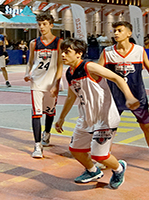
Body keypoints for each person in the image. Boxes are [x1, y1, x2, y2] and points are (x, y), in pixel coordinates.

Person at [54, 38, 139, 188]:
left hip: (105, 117)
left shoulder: (89, 67)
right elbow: (71, 96)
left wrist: (130, 97)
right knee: (76, 150)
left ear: (79, 54)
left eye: (67, 52)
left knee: (99, 155)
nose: (63, 55)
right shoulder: (70, 73)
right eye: (62, 52)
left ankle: (119, 168)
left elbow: (117, 78)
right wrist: (61, 117)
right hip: (87, 117)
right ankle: (92, 171)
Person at [98, 21, 149, 176]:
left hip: (138, 97)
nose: (116, 33)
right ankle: (104, 157)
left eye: (119, 30)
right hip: (115, 98)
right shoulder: (107, 52)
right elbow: (97, 73)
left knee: (146, 127)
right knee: (109, 129)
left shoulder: (139, 51)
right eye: (115, 30)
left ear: (129, 33)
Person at [25, 13, 63, 158]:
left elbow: (60, 64)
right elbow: (30, 62)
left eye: (45, 24)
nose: (42, 27)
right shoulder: (34, 43)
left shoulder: (58, 42)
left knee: (50, 111)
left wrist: (56, 84)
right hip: (36, 82)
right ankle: (37, 146)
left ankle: (47, 133)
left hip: (51, 82)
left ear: (51, 25)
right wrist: (28, 73)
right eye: (39, 24)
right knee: (36, 113)